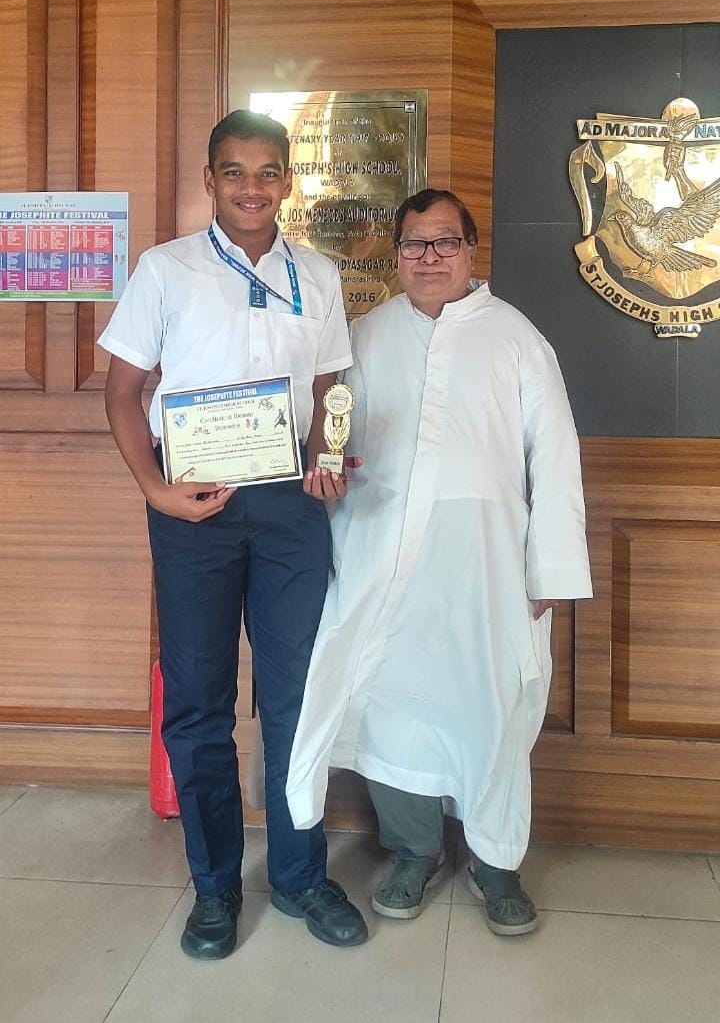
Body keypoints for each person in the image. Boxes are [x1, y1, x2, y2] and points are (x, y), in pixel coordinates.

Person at [98, 109, 368, 960]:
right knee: (199, 705)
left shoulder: (317, 274)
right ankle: (215, 887)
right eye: (235, 171)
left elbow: (328, 387)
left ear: (288, 179)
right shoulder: (165, 269)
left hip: (291, 509)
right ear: (210, 179)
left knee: (295, 699)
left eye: (268, 171)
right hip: (195, 510)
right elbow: (122, 391)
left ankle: (298, 876)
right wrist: (156, 491)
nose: (253, 187)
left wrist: (328, 458)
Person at [290, 188, 592, 936]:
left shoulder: (516, 338)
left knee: (492, 706)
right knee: (392, 705)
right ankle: (414, 849)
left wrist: (550, 571)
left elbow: (556, 459)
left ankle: (496, 862)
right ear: (396, 254)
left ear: (471, 249)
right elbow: (335, 440)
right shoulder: (365, 336)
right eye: (414, 244)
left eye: (445, 242)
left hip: (485, 568)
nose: (429, 257)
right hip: (382, 558)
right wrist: (324, 473)